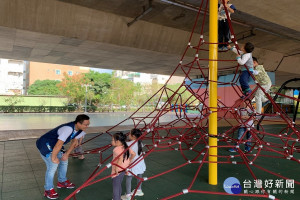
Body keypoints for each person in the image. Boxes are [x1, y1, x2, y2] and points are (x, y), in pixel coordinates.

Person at [36, 114, 90, 199]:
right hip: (45, 143)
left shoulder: (80, 130)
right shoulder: (68, 129)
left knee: (64, 160)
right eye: (85, 124)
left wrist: (67, 154)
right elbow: (59, 144)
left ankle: (62, 181)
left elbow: (74, 142)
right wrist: (53, 157)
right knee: (53, 165)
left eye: (88, 124)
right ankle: (48, 190)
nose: (87, 126)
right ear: (78, 123)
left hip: (55, 145)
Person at [121, 129, 146, 200]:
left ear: (134, 136)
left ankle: (128, 195)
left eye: (129, 134)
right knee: (139, 175)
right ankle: (139, 190)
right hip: (140, 163)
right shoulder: (140, 142)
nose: (128, 135)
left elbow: (123, 144)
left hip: (133, 164)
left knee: (129, 178)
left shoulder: (129, 144)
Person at [111, 132, 136, 200]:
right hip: (124, 169)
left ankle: (116, 198)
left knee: (116, 186)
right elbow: (134, 154)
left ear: (118, 141)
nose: (111, 142)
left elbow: (121, 158)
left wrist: (116, 169)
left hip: (118, 170)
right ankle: (118, 198)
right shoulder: (125, 146)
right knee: (119, 184)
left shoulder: (116, 149)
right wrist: (129, 160)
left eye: (113, 140)